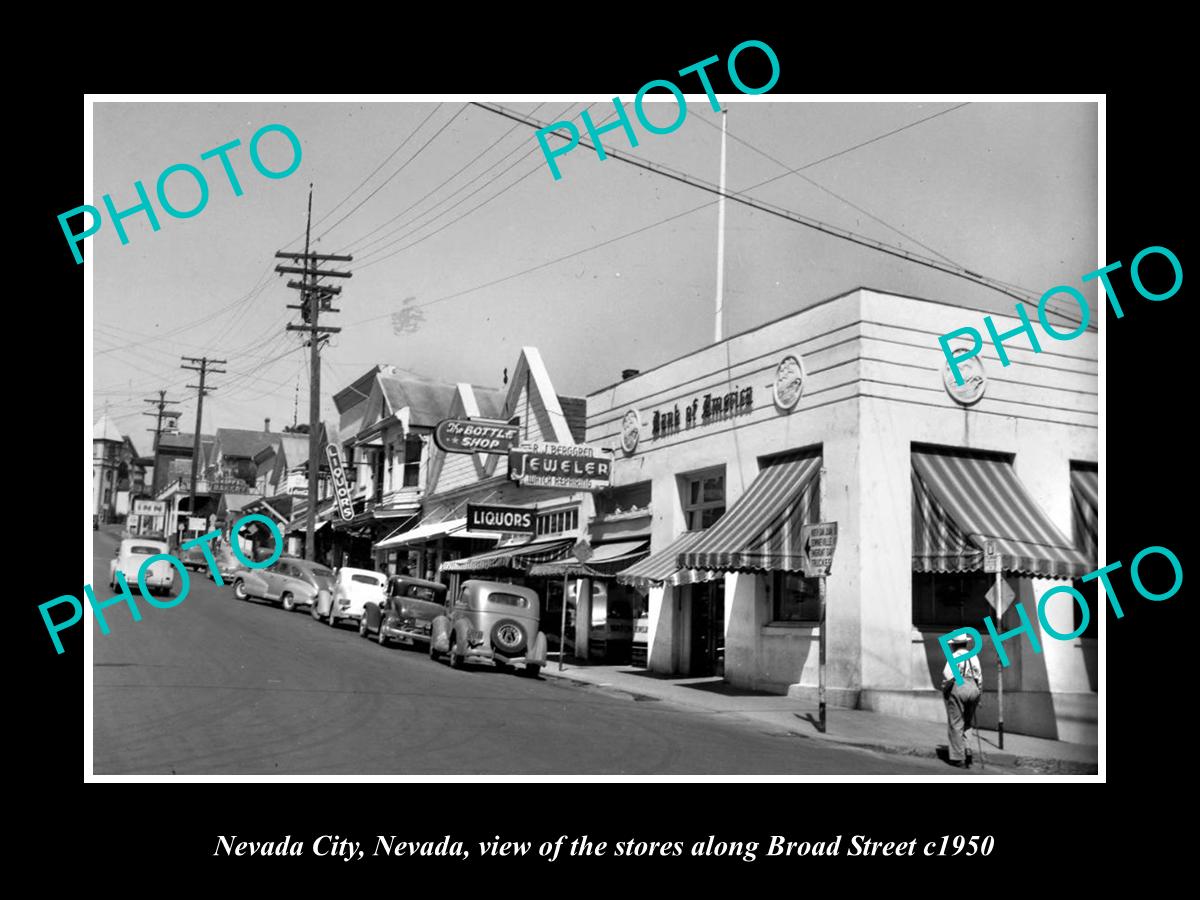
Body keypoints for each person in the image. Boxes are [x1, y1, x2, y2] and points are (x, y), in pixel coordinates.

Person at [942, 633, 983, 768]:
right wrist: (979, 695)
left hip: (959, 686)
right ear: (965, 644)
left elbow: (947, 674)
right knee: (968, 722)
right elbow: (979, 677)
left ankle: (958, 757)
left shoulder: (953, 657)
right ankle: (968, 750)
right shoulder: (973, 656)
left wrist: (947, 688)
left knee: (956, 723)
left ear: (954, 645)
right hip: (973, 688)